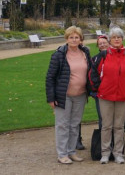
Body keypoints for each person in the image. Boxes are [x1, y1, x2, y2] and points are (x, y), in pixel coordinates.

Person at [45, 26, 92, 164]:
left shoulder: (85, 52)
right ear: (66, 39)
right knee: (62, 125)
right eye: (71, 37)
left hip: (81, 95)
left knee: (74, 124)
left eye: (76, 37)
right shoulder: (59, 54)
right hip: (63, 95)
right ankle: (62, 154)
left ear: (80, 39)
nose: (74, 39)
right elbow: (50, 77)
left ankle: (71, 152)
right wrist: (51, 98)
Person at [90, 27, 125, 165]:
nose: (116, 39)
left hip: (123, 96)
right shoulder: (103, 56)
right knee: (106, 126)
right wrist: (100, 88)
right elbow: (93, 74)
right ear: (110, 40)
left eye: (119, 37)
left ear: (122, 39)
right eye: (114, 37)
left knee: (119, 126)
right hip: (105, 96)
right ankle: (105, 153)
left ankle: (118, 153)